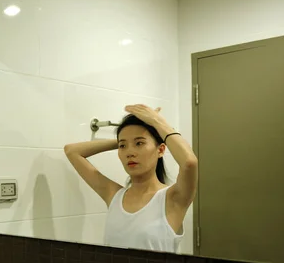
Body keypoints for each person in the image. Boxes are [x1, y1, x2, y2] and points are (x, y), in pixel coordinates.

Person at [64, 104, 198, 253]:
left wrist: (157, 122)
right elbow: (72, 151)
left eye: (139, 143)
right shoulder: (114, 195)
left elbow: (189, 163)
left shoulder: (173, 199)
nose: (129, 152)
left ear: (160, 150)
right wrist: (124, 140)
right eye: (123, 147)